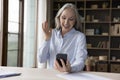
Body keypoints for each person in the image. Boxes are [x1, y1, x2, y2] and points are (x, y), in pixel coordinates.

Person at [38, 3, 87, 73]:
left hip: (70, 76)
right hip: (51, 76)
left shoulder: (80, 37)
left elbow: (81, 61)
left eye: (71, 19)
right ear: (59, 18)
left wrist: (70, 68)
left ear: (75, 21)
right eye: (63, 18)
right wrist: (47, 38)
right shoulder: (51, 33)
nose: (66, 22)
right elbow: (41, 59)